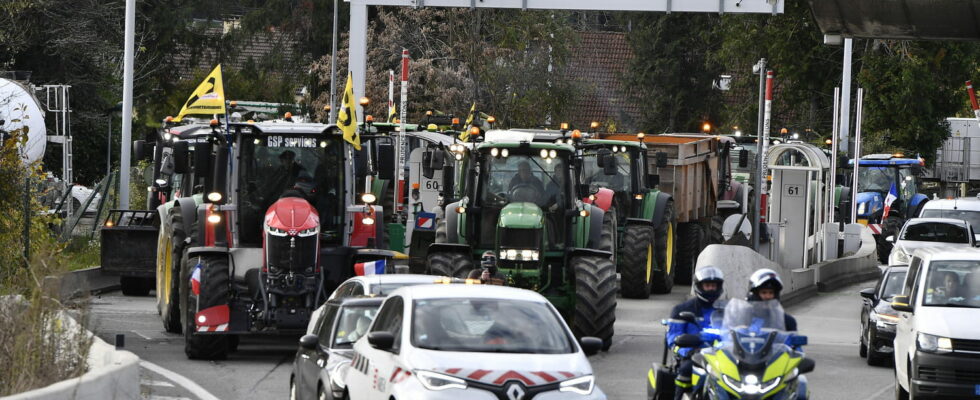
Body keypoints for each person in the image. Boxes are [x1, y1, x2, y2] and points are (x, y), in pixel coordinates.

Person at [667, 266, 725, 400]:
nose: (711, 289)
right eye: (708, 285)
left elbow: (737, 329)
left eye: (714, 286)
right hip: (694, 354)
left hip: (721, 354)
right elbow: (673, 337)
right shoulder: (682, 309)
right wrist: (687, 350)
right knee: (686, 369)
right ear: (699, 286)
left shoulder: (726, 309)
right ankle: (679, 396)